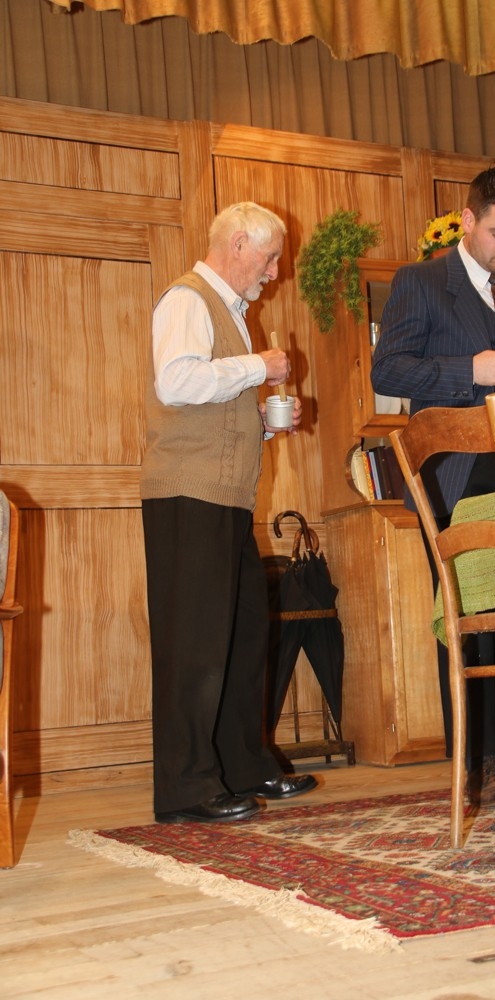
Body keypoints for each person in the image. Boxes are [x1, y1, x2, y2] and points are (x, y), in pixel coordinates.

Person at [371, 166, 495, 804]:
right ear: (469, 219)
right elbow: (388, 370)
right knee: (468, 619)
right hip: (456, 475)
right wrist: (466, 371)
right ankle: (475, 768)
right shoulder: (422, 281)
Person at [140, 201, 317, 824]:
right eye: (269, 258)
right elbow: (176, 383)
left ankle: (243, 766)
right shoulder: (187, 300)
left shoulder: (233, 314)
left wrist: (264, 425)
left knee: (242, 636)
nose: (273, 272)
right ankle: (186, 789)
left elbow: (209, 406)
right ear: (238, 243)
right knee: (194, 645)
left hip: (226, 498)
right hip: (186, 495)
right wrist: (258, 366)